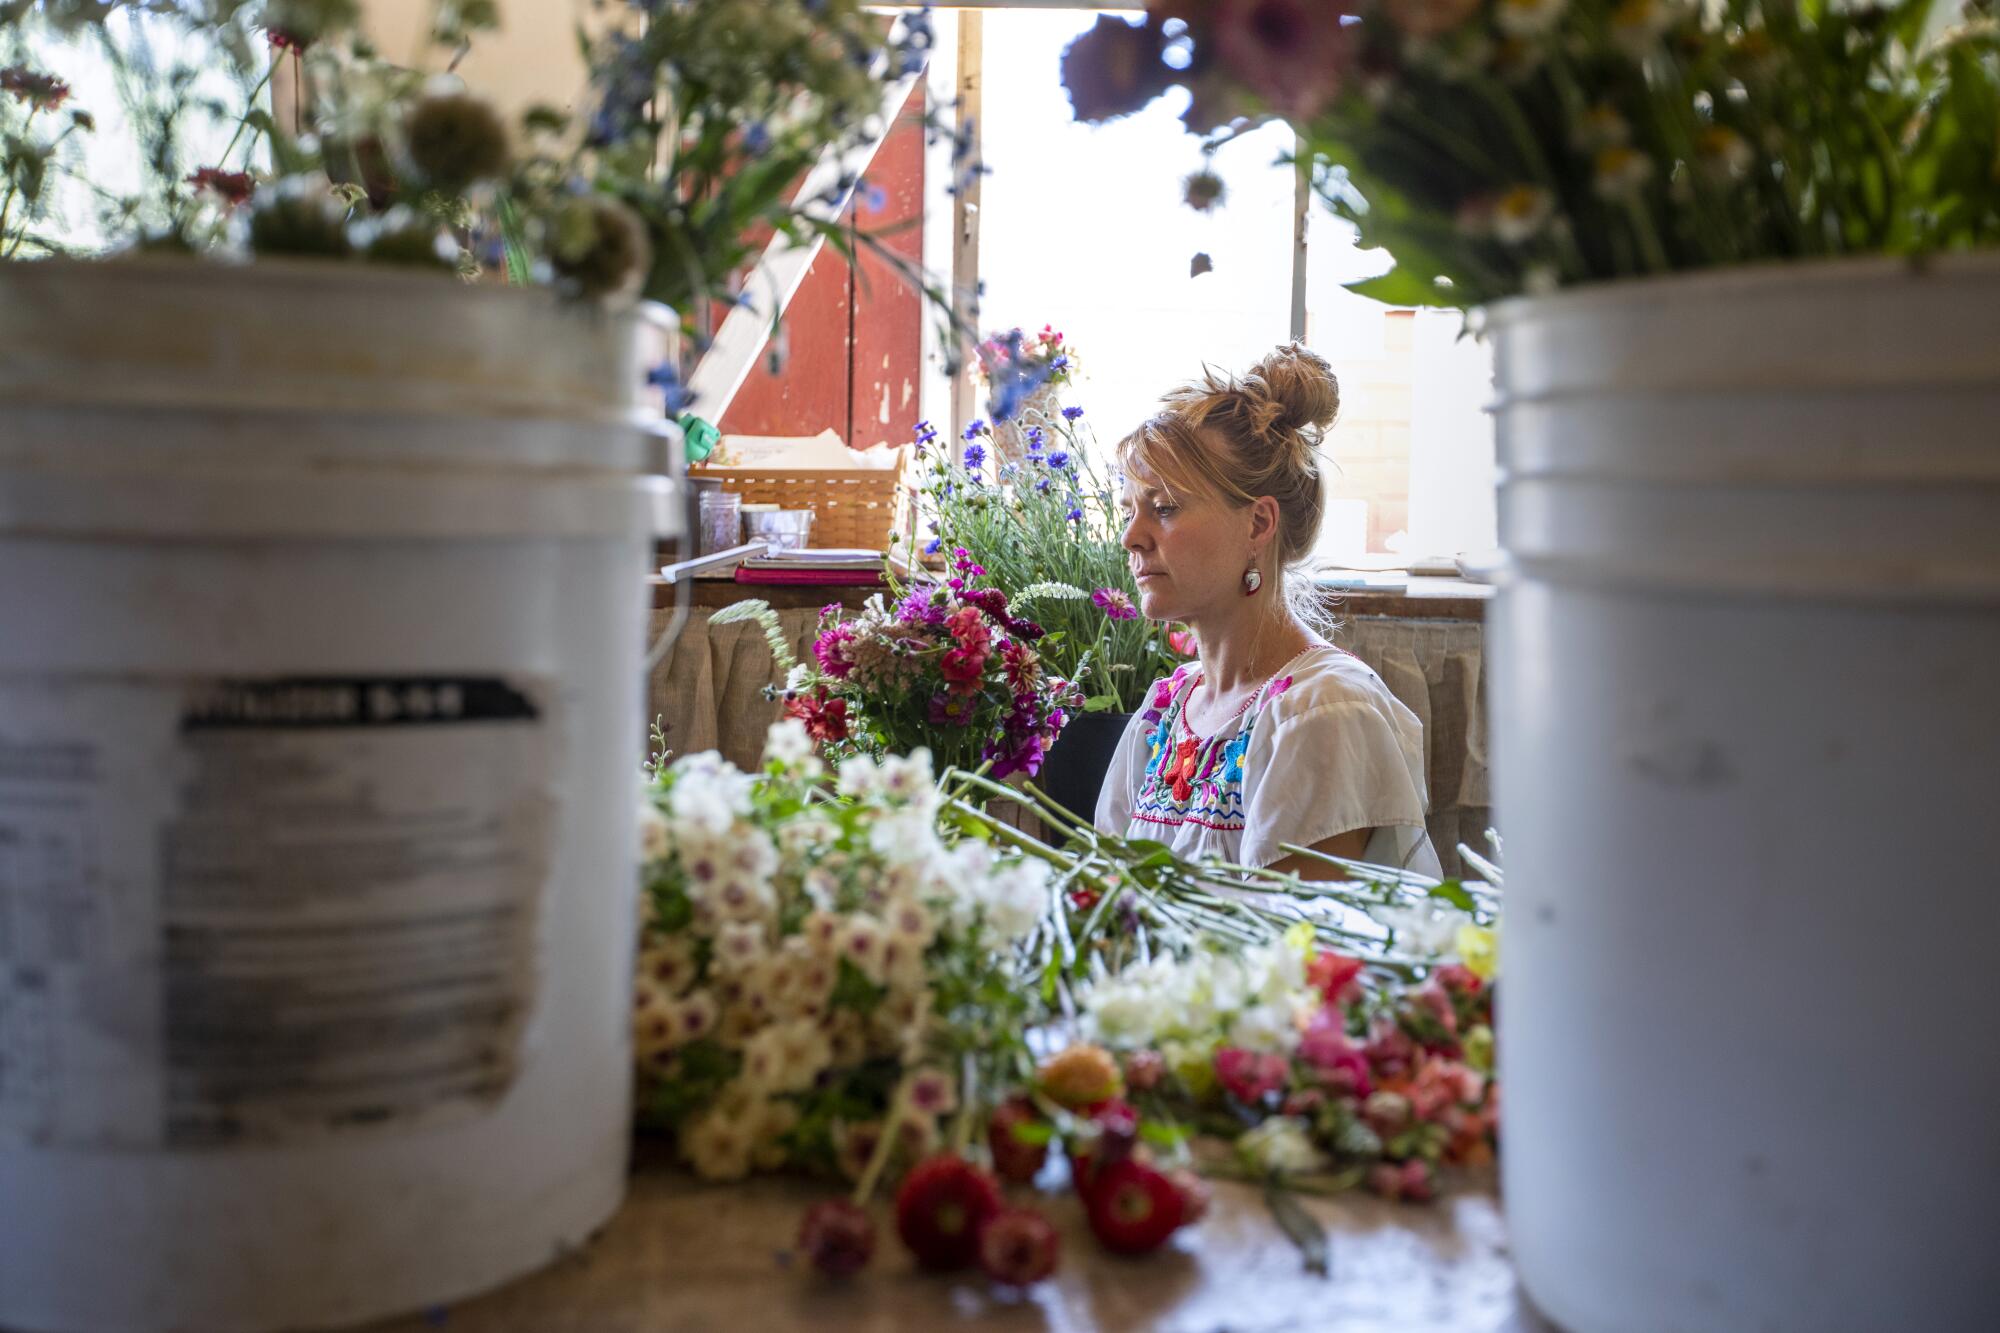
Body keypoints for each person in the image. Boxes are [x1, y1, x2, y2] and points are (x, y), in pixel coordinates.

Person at [1094, 344, 1441, 880]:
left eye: (1164, 508)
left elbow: (1288, 951)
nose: (1131, 537)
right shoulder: (1166, 711)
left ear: (1258, 524)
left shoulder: (1323, 710)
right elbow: (1109, 895)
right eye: (1131, 510)